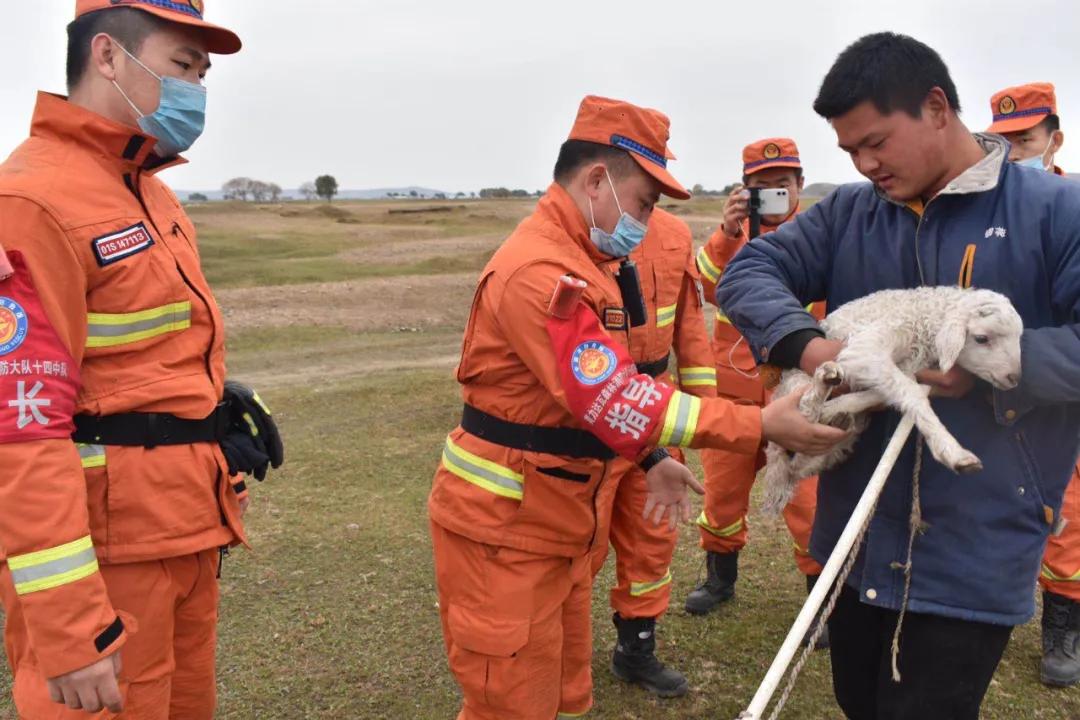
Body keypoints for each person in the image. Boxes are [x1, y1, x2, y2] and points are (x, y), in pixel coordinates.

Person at [427, 94, 846, 720]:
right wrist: (755, 423)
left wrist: (650, 455)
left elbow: (603, 393)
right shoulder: (542, 273)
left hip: (555, 519)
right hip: (507, 530)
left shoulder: (586, 258)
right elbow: (612, 394)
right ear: (598, 179)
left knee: (565, 695)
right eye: (646, 201)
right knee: (511, 704)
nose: (647, 221)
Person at [718, 33, 1080, 719]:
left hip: (976, 543)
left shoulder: (1058, 214)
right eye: (850, 150)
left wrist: (1000, 368)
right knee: (861, 705)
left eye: (876, 142)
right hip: (854, 536)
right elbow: (749, 273)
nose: (865, 164)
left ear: (937, 107)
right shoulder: (851, 213)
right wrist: (814, 351)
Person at [0, 2, 282, 717]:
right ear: (106, 56)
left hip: (181, 538)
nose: (197, 92)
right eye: (182, 67)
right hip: (104, 567)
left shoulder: (147, 191)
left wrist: (207, 412)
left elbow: (134, 356)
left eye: (204, 74)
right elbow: (19, 431)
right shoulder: (33, 200)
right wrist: (69, 629)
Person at [686, 139, 827, 649]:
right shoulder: (729, 240)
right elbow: (701, 287)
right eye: (762, 185)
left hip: (800, 394)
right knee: (723, 498)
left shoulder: (823, 236)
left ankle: (819, 600)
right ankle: (719, 579)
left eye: (783, 183)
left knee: (809, 503)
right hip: (733, 397)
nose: (774, 193)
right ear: (746, 190)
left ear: (800, 183)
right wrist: (727, 234)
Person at [587, 206, 718, 698]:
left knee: (653, 537)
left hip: (655, 405)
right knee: (578, 545)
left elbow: (689, 326)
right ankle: (553, 656)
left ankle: (635, 651)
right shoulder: (574, 232)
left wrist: (706, 418)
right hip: (592, 411)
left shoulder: (675, 234)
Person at [986, 81, 1080, 687]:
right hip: (992, 395)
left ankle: (1063, 627)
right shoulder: (978, 212)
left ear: (1054, 139)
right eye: (1004, 142)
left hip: (1062, 390)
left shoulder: (1072, 207)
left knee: (1069, 513)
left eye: (1025, 139)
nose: (1015, 151)